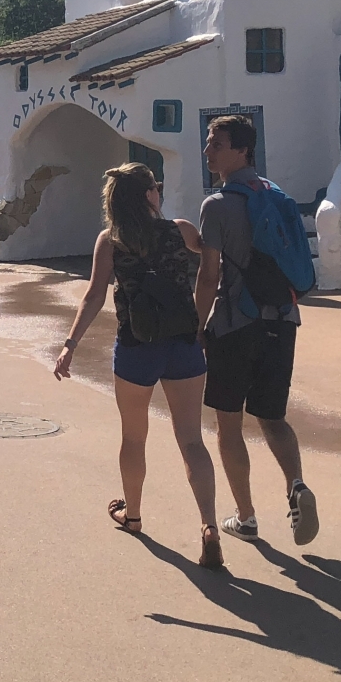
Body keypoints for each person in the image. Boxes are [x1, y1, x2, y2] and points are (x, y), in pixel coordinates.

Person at [54, 162, 223, 570]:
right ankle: (209, 526)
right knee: (192, 441)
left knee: (133, 437)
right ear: (148, 194)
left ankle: (133, 516)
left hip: (136, 346)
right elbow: (212, 259)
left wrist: (70, 345)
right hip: (183, 343)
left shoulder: (110, 241)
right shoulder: (181, 231)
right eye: (156, 186)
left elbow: (94, 295)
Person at [195, 114, 318, 547]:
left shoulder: (217, 204)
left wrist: (196, 327)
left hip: (235, 325)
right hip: (282, 320)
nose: (208, 151)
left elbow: (209, 276)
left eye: (217, 144)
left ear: (242, 150)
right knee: (273, 417)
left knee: (228, 425)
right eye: (209, 142)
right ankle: (297, 485)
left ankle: (245, 517)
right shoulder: (277, 196)